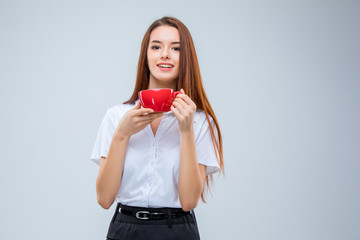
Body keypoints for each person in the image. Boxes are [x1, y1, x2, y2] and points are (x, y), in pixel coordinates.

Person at [90, 16, 224, 240]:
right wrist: (122, 135)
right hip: (124, 229)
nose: (165, 54)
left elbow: (189, 201)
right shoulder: (116, 116)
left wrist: (186, 130)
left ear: (186, 58)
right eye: (156, 47)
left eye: (176, 48)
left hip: (177, 230)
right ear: (146, 56)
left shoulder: (200, 121)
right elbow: (104, 199)